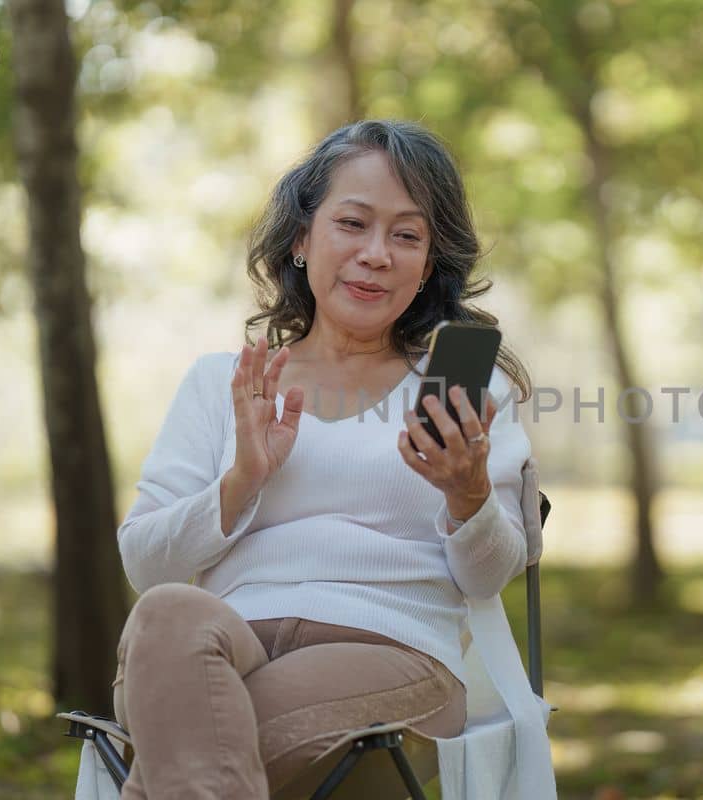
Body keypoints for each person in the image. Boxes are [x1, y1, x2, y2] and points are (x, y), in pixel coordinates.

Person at [110, 120, 555, 799]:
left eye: (406, 235)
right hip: (221, 648)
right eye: (353, 223)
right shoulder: (222, 383)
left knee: (188, 742)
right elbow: (146, 564)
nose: (376, 254)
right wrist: (242, 480)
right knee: (169, 613)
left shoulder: (462, 385)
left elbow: (488, 577)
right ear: (301, 237)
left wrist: (466, 495)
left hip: (391, 653)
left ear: (430, 263)